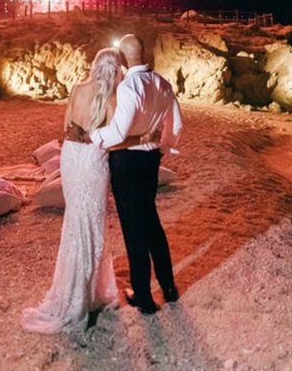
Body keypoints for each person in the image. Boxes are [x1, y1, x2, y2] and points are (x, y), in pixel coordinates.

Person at [21, 47, 149, 334]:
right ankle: (82, 296)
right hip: (92, 160)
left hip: (70, 156)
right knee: (91, 224)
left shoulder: (78, 88)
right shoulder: (113, 98)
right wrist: (141, 137)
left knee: (76, 222)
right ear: (116, 70)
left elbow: (67, 125)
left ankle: (81, 291)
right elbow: (114, 141)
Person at [67, 34, 182, 315]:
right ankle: (168, 287)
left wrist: (90, 136)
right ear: (144, 52)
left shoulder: (129, 86)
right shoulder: (163, 83)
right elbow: (176, 124)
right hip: (151, 160)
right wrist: (162, 147)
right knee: (151, 221)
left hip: (127, 161)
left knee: (133, 228)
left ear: (124, 56)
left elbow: (117, 133)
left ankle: (142, 296)